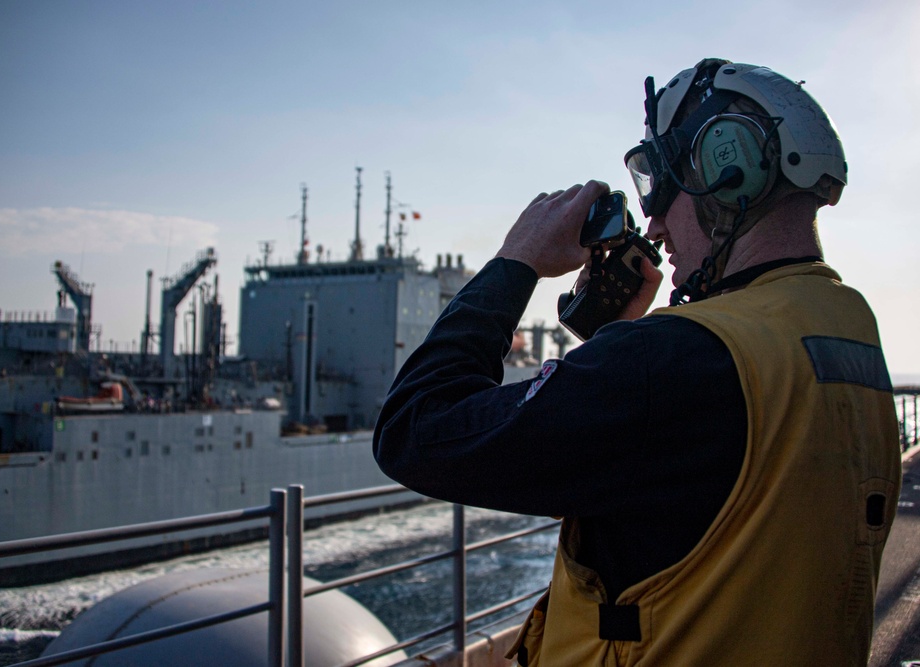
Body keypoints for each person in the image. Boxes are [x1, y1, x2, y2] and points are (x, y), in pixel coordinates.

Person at [372, 58, 902, 665]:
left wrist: (513, 262)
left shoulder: (670, 360)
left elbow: (415, 429)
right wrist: (615, 341)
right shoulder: (844, 327)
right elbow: (692, 476)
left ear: (729, 173)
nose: (652, 223)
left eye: (662, 183)